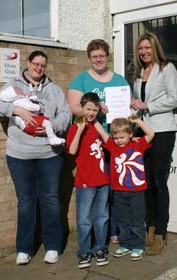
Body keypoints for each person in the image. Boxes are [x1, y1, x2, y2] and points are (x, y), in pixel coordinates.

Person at [0, 50, 71, 265]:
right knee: (26, 201)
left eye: (43, 65)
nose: (39, 68)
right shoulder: (13, 83)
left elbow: (66, 114)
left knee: (51, 200)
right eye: (35, 64)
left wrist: (50, 127)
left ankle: (53, 246)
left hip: (49, 154)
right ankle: (24, 249)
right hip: (19, 154)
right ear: (28, 64)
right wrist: (17, 109)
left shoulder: (53, 89)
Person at [67, 39, 130, 244]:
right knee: (96, 189)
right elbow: (74, 107)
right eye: (94, 56)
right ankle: (95, 233)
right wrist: (96, 105)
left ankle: (114, 230)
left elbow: (127, 110)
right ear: (89, 59)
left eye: (102, 55)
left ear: (107, 56)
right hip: (91, 143)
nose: (98, 59)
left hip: (116, 141)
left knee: (115, 188)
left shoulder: (120, 81)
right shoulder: (81, 80)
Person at [130, 32, 177, 255]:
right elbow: (139, 103)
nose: (144, 51)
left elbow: (174, 99)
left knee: (159, 181)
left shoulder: (167, 68)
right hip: (143, 131)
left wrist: (147, 106)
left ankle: (161, 231)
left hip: (162, 131)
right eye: (141, 48)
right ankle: (149, 227)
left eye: (147, 47)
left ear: (155, 48)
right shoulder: (139, 72)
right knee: (147, 181)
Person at [93, 116, 154, 261]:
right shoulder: (113, 146)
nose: (119, 140)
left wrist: (137, 121)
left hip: (137, 191)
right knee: (121, 219)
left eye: (122, 137)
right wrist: (93, 120)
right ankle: (125, 244)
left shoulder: (138, 144)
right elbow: (102, 133)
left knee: (137, 219)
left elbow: (151, 134)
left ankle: (138, 246)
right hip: (119, 191)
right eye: (116, 137)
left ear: (131, 134)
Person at [66, 93, 110, 269]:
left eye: (94, 109)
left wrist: (97, 123)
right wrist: (80, 129)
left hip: (103, 179)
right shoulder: (74, 128)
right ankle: (84, 251)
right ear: (82, 109)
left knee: (102, 217)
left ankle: (100, 249)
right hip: (85, 180)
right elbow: (72, 150)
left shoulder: (99, 127)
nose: (91, 113)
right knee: (84, 218)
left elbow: (109, 143)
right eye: (88, 109)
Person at [0, 85, 65, 145]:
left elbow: (65, 112)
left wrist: (56, 126)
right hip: (30, 122)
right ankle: (52, 138)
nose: (20, 89)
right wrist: (38, 108)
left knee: (46, 123)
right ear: (15, 95)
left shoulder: (54, 88)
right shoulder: (20, 101)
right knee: (47, 123)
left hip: (48, 152)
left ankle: (53, 138)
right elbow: (29, 106)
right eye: (18, 90)